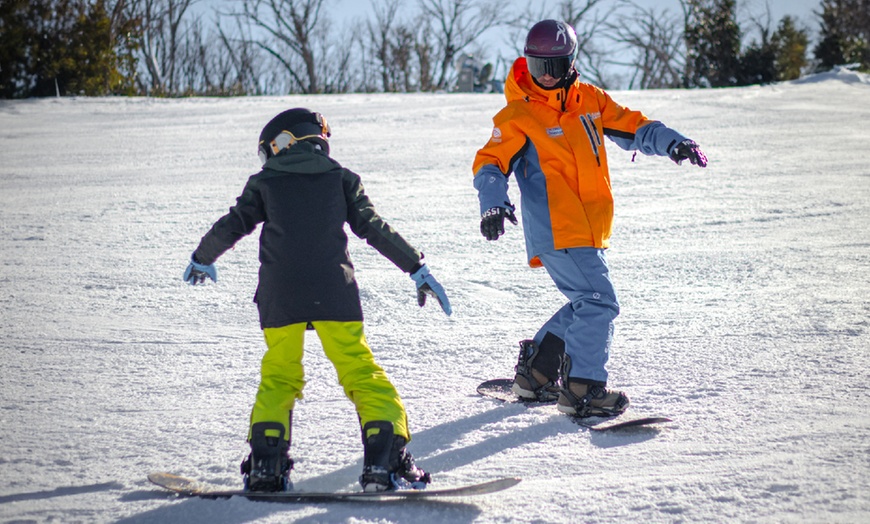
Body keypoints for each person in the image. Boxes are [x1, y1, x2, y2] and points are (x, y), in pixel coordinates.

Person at [183, 108, 452, 492]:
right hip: (333, 292)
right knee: (359, 369)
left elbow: (234, 223)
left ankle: (266, 467)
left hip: (281, 296)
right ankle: (383, 460)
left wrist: (202, 256)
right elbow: (373, 228)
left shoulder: (265, 183)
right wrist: (416, 267)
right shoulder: (340, 180)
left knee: (278, 375)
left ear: (283, 143)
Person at [472, 20, 708, 418]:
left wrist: (673, 142)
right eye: (536, 67)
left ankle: (538, 374)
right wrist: (494, 203)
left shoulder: (590, 101)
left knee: (588, 302)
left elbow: (635, 126)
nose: (544, 78)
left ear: (571, 63)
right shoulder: (518, 116)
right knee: (599, 303)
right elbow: (489, 165)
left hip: (590, 228)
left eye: (554, 67)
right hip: (556, 227)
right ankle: (583, 388)